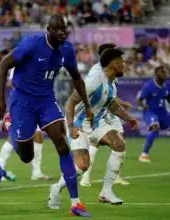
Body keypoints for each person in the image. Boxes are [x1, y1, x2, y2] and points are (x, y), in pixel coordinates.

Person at [0, 14, 94, 217]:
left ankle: (76, 203)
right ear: (48, 29)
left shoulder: (67, 49)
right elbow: (3, 65)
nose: (61, 33)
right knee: (26, 156)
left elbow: (76, 77)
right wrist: (1, 100)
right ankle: (11, 124)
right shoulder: (31, 45)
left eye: (64, 30)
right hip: (22, 101)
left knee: (62, 144)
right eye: (57, 29)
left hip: (46, 100)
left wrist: (87, 105)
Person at [48, 48, 139, 209]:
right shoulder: (94, 80)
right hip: (78, 124)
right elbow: (70, 103)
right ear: (114, 63)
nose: (125, 65)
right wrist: (71, 126)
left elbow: (110, 104)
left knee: (119, 145)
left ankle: (106, 192)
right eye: (122, 61)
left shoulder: (112, 83)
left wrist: (129, 118)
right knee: (83, 167)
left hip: (97, 123)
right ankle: (56, 188)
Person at [79, 43, 132, 187]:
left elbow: (110, 95)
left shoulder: (109, 71)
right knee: (96, 143)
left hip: (107, 110)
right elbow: (84, 96)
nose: (121, 60)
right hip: (100, 113)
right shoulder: (96, 73)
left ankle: (114, 177)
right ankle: (85, 176)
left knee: (119, 142)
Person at [0, 68, 50, 181]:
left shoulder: (38, 63)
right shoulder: (18, 64)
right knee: (13, 137)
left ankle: (36, 172)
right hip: (20, 104)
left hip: (33, 104)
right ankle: (0, 170)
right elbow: (11, 83)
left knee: (38, 137)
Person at [137, 66, 170, 163]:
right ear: (157, 73)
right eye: (162, 72)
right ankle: (143, 155)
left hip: (163, 112)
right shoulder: (149, 85)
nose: (165, 74)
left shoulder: (167, 85)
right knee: (155, 129)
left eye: (166, 72)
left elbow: (169, 98)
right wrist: (143, 105)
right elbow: (139, 100)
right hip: (150, 111)